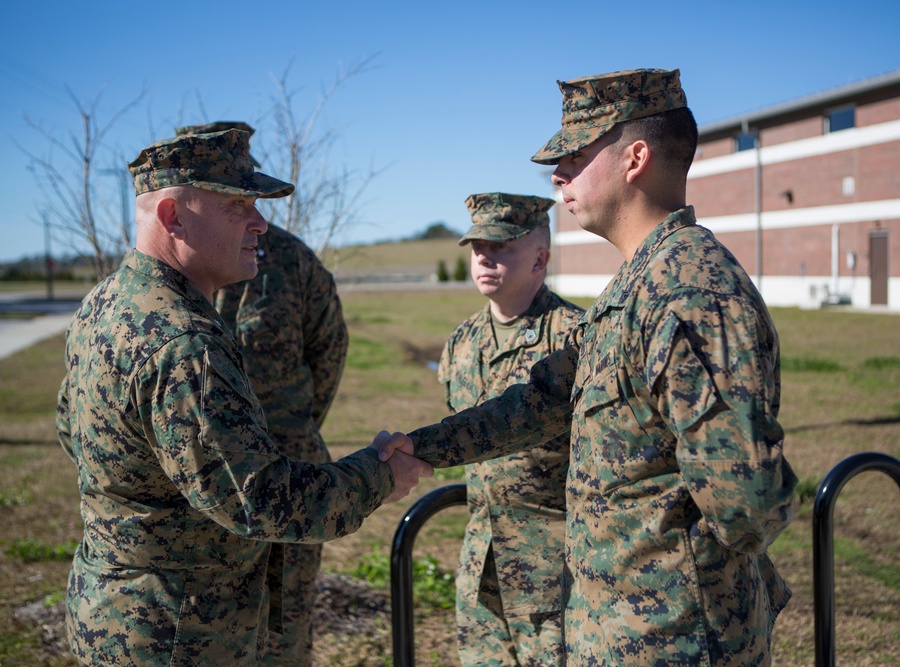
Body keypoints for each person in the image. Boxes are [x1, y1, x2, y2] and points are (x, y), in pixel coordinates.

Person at [379, 69, 798, 666]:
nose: (558, 175)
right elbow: (536, 404)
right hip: (618, 630)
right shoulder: (634, 287)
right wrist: (422, 446)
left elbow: (746, 501)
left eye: (576, 156)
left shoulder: (688, 289)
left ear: (635, 158)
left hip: (675, 636)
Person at [55, 128, 431, 667]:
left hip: (121, 607)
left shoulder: (104, 303)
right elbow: (258, 499)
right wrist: (378, 476)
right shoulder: (184, 344)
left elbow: (73, 431)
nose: (259, 222)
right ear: (172, 218)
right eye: (237, 206)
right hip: (179, 628)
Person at [175, 120, 348, 666]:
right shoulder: (160, 284)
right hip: (197, 498)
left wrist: (285, 428)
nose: (254, 216)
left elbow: (329, 352)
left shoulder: (293, 263)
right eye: (235, 201)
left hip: (287, 479)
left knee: (282, 639)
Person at [440, 193, 582, 667]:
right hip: (481, 565)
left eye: (500, 246)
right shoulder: (462, 341)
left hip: (556, 572)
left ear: (540, 258)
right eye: (477, 245)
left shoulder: (574, 336)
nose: (483, 256)